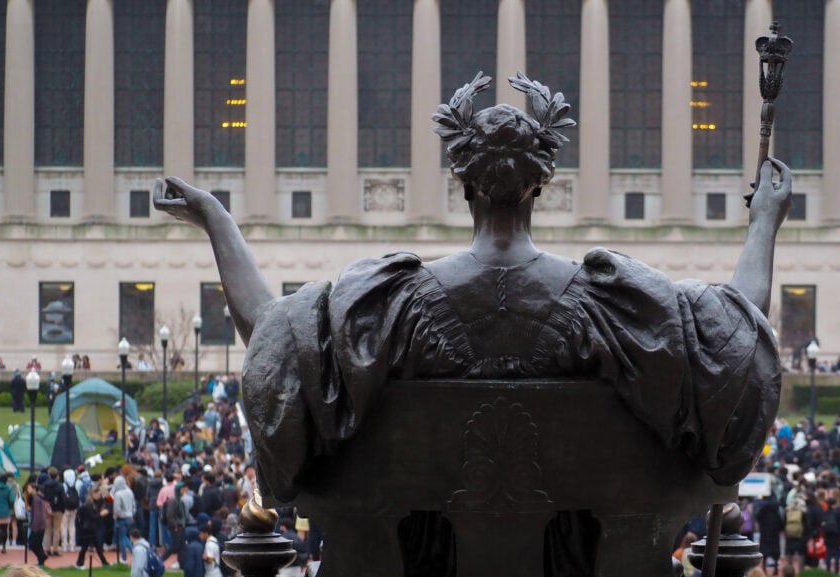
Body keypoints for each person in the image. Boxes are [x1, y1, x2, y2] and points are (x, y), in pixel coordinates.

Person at [154, 72, 791, 568]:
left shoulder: (388, 306)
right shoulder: (616, 306)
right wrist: (764, 221)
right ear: (542, 186)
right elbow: (736, 346)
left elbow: (272, 343)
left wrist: (218, 221)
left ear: (462, 185)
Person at [75, 486, 111, 568]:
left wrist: (107, 496)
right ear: (93, 494)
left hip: (91, 528)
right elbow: (92, 517)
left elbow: (109, 501)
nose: (99, 496)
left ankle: (104, 562)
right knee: (85, 547)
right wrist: (101, 514)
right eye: (98, 494)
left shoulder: (93, 503)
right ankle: (79, 563)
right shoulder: (88, 505)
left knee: (97, 547)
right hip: (88, 528)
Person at [27, 478, 50, 566]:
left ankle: (42, 556)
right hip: (41, 524)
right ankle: (41, 558)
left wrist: (34, 527)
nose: (28, 490)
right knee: (37, 543)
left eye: (29, 488)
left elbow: (37, 514)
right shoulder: (39, 497)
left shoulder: (36, 499)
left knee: (32, 543)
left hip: (38, 525)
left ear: (34, 489)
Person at [114, 475, 137, 562]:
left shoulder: (118, 494)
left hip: (121, 518)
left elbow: (117, 509)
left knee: (122, 538)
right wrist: (132, 514)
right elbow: (134, 505)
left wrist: (117, 516)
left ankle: (124, 558)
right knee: (125, 536)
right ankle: (133, 552)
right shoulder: (130, 491)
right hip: (130, 516)